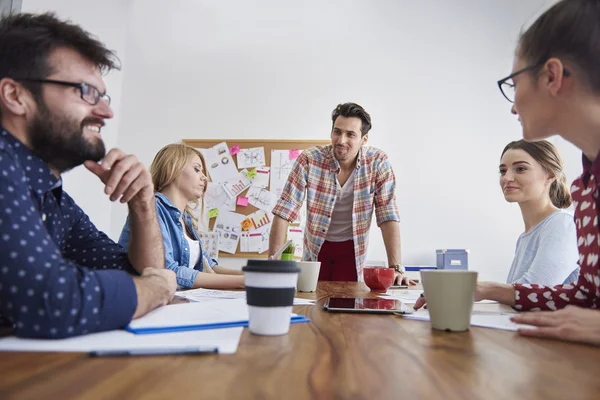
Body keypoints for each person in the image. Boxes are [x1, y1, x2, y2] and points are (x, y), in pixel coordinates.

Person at [417, 0, 600, 346]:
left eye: (513, 83)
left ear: (552, 76)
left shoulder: (568, 213)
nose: (513, 105)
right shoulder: (587, 187)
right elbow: (585, 299)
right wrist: (486, 288)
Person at [0, 13, 176, 339]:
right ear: (15, 96)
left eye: (103, 96)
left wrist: (143, 204)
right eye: (85, 91)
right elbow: (53, 302)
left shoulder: (53, 198)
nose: (106, 112)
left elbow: (137, 271)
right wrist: (154, 288)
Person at [268, 102, 413, 285]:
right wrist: (272, 265)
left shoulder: (378, 162)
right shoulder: (310, 159)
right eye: (337, 132)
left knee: (349, 306)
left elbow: (387, 214)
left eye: (350, 134)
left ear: (364, 139)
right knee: (312, 305)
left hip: (352, 251)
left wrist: (396, 268)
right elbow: (284, 210)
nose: (341, 140)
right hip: (316, 250)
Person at [120, 143, 245, 289]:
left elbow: (207, 265)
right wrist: (241, 282)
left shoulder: (186, 219)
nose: (204, 177)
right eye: (197, 169)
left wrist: (249, 275)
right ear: (172, 169)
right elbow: (167, 272)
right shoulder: (153, 209)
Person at [500, 139, 579, 285]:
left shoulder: (562, 224)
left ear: (549, 174)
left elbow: (535, 289)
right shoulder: (524, 238)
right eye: (503, 171)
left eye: (520, 169)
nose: (507, 178)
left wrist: (483, 289)